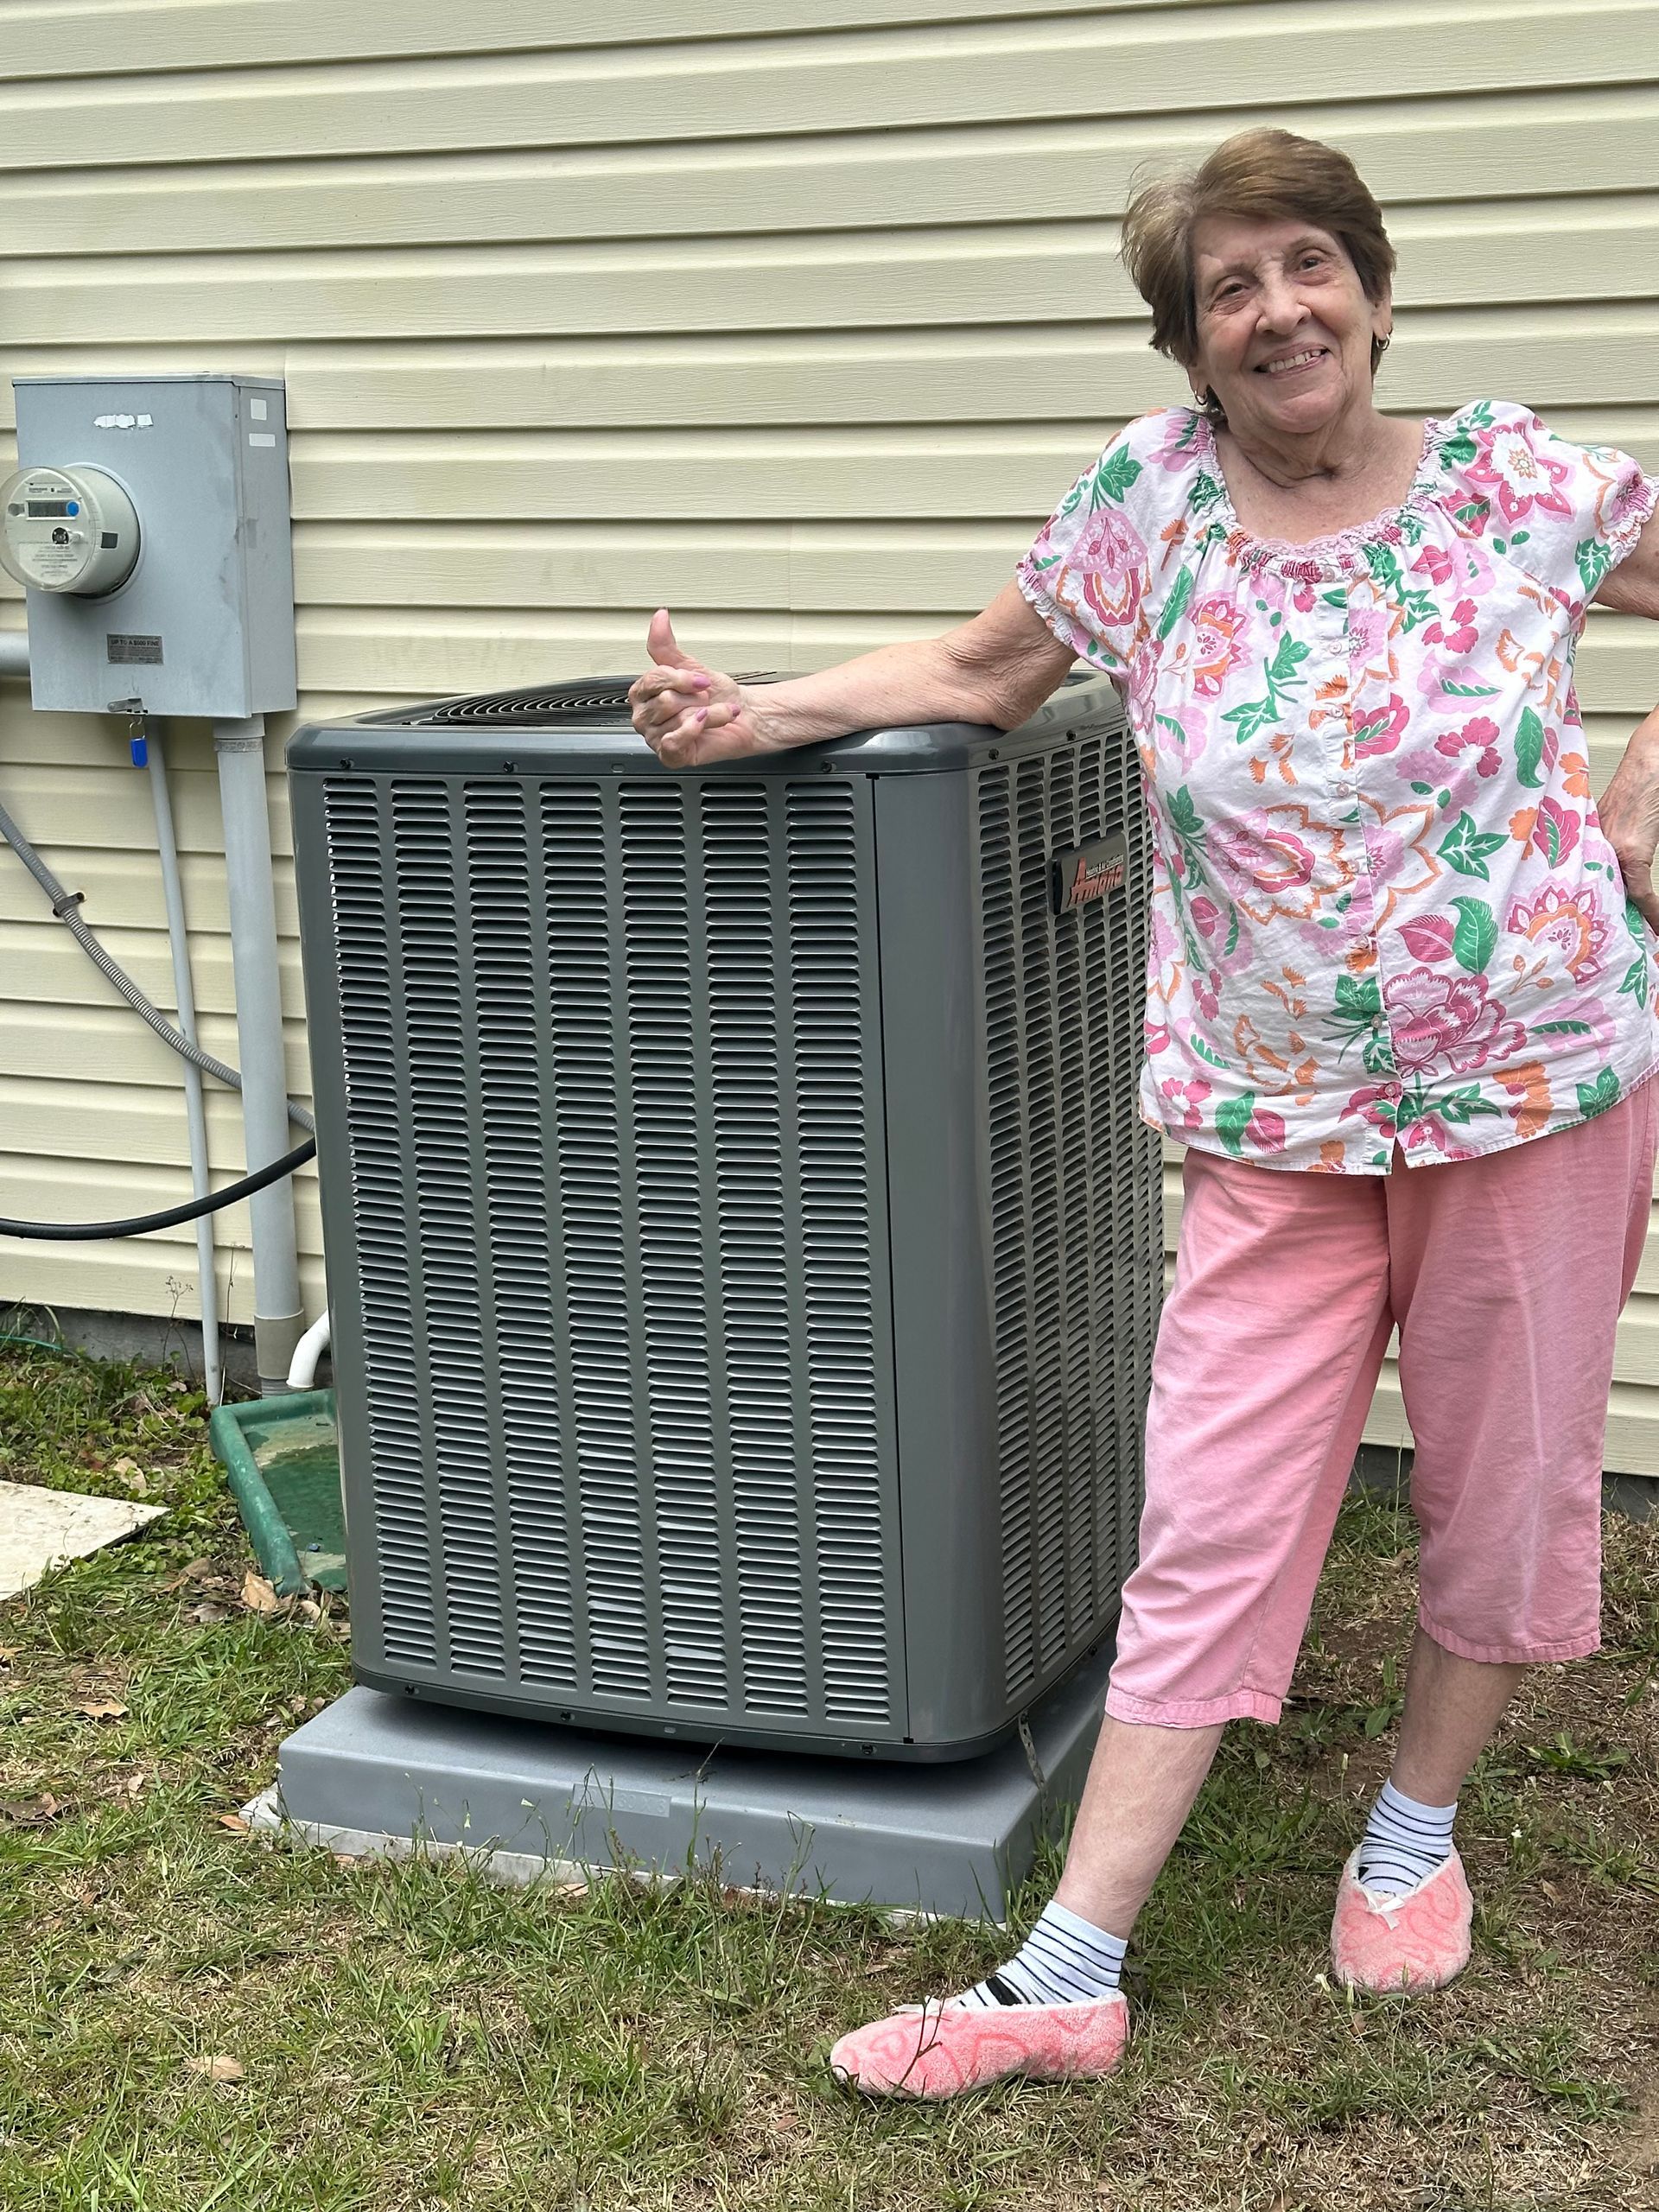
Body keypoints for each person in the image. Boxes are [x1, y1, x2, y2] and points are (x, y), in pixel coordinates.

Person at [628, 127, 1659, 2098]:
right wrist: (753, 712)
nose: (1277, 310)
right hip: (1273, 1118)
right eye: (1228, 291)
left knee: (1502, 1479)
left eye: (1305, 266)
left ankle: (1416, 1825)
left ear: (1371, 286)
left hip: (1538, 1086)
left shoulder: (1520, 479)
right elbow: (973, 665)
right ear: (1193, 350)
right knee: (1204, 1517)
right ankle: (1069, 1969)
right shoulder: (1148, 505)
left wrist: (1645, 781)